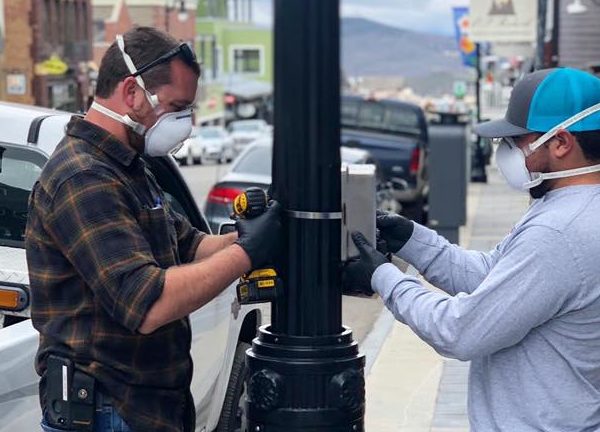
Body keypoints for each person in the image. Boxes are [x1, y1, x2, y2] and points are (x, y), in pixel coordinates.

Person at [25, 27, 281, 432]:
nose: (185, 124)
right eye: (177, 107)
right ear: (132, 92)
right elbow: (146, 305)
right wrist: (246, 254)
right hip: (106, 410)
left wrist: (254, 236)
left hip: (145, 406)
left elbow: (189, 245)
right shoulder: (83, 178)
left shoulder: (128, 167)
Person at [348, 67, 600, 431]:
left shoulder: (559, 231)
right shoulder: (567, 208)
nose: (506, 152)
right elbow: (493, 279)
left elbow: (461, 331)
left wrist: (383, 278)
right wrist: (412, 240)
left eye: (517, 141)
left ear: (560, 143)